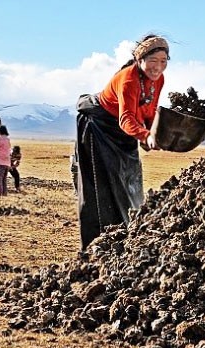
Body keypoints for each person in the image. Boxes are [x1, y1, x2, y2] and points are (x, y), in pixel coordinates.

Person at [75, 34, 168, 250]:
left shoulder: (158, 80)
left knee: (130, 183)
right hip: (99, 126)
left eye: (163, 61)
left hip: (123, 132)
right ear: (140, 60)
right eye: (153, 61)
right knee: (101, 188)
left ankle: (127, 239)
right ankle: (96, 248)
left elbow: (150, 110)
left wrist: (151, 130)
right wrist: (145, 136)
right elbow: (125, 118)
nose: (158, 67)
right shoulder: (128, 79)